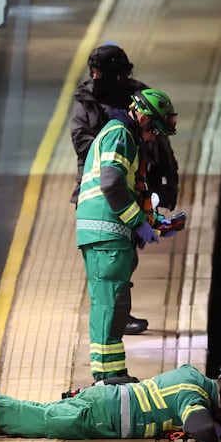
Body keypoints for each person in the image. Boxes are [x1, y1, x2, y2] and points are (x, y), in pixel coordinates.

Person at [76, 87, 186, 385]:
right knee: (109, 305)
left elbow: (126, 187)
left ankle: (112, 373)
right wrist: (138, 222)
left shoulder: (125, 136)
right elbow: (111, 184)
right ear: (145, 118)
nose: (155, 138)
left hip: (108, 233)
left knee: (116, 305)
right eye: (155, 131)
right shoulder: (120, 135)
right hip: (105, 232)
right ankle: (105, 376)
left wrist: (157, 222)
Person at [70, 43, 181, 335]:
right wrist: (138, 221)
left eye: (99, 72)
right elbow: (108, 177)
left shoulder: (138, 104)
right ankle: (115, 336)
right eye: (92, 72)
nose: (95, 78)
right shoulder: (116, 130)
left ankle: (117, 335)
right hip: (106, 208)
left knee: (124, 263)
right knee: (114, 275)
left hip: (126, 197)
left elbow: (157, 154)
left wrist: (158, 211)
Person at [0, 364, 221, 442]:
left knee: (36, 410)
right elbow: (200, 428)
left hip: (104, 400)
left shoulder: (190, 374)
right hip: (101, 417)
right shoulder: (194, 396)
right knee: (39, 422)